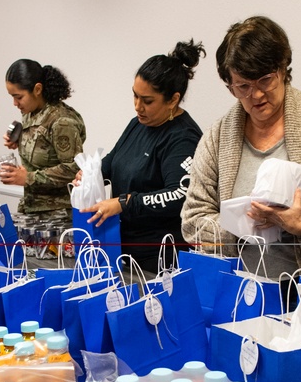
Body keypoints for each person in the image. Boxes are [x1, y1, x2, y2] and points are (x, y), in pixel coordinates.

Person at [180, 16, 301, 279]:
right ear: (230, 88)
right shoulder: (217, 138)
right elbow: (192, 221)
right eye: (243, 86)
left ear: (283, 70)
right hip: (237, 295)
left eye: (265, 80)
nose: (256, 95)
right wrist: (241, 225)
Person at [77, 40, 205, 271]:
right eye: (135, 96)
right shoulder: (137, 124)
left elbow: (180, 194)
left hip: (159, 257)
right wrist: (91, 172)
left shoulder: (182, 138)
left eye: (147, 101)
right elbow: (115, 159)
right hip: (122, 247)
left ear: (173, 100)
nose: (137, 106)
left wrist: (125, 203)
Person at [0, 59, 86, 221]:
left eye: (18, 97)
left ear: (37, 89)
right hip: (32, 208)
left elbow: (73, 169)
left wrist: (28, 178)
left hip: (58, 215)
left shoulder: (62, 120)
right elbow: (41, 143)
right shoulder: (30, 113)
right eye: (12, 97)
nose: (14, 103)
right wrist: (18, 140)